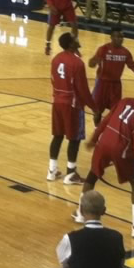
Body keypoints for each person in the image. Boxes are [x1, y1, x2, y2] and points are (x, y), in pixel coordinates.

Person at [79, 85, 134, 238]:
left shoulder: (126, 101)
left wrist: (93, 138)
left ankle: (80, 214)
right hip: (121, 149)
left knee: (92, 176)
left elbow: (106, 120)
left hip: (104, 141)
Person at [88, 27, 134, 126]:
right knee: (97, 112)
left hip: (116, 85)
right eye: (117, 36)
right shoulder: (103, 49)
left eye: (122, 37)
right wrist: (93, 61)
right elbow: (91, 64)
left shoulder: (125, 52)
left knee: (115, 112)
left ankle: (106, 132)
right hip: (102, 84)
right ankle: (97, 130)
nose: (120, 39)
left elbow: (133, 67)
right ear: (111, 37)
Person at [49, 32, 90, 185]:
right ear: (71, 44)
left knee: (57, 136)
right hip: (72, 104)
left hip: (57, 101)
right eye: (75, 38)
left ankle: (52, 171)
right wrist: (95, 108)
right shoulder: (77, 63)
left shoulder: (56, 59)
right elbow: (83, 90)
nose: (77, 38)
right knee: (75, 138)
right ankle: (70, 174)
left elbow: (53, 80)